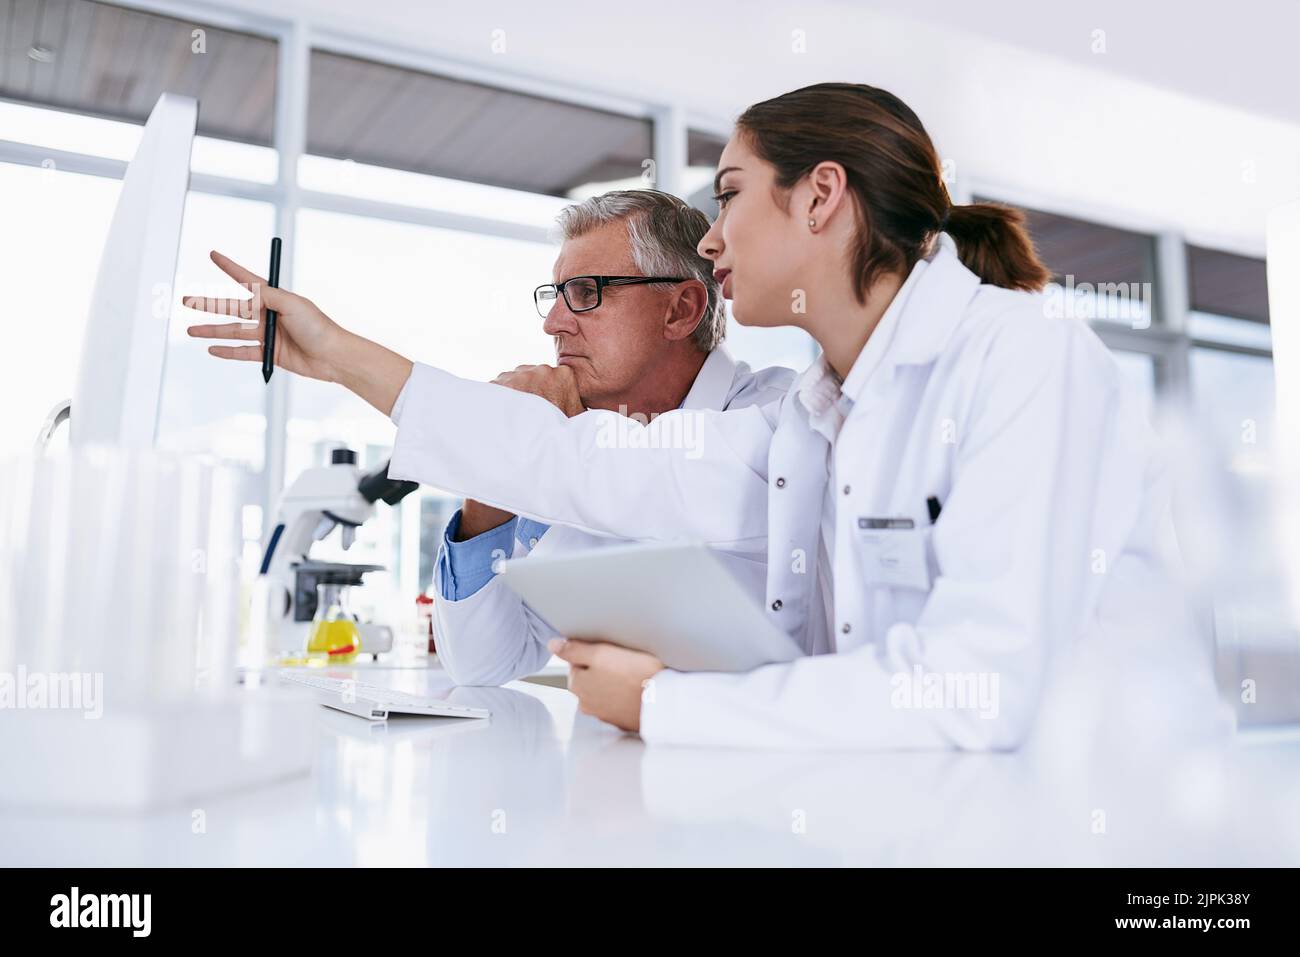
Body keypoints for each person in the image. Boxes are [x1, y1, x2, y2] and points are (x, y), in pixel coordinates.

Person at [185, 82, 1213, 751]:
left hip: (1114, 832)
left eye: (728, 198)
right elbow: (595, 470)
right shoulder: (813, 414)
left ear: (819, 198)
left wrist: (665, 705)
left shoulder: (1024, 361)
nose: (713, 242)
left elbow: (970, 692)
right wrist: (342, 356)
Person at [431, 189, 791, 685]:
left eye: (585, 293)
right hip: (613, 757)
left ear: (680, 310)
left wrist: (538, 449)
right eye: (555, 296)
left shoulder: (777, 418)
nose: (554, 325)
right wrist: (493, 469)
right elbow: (484, 664)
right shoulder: (568, 433)